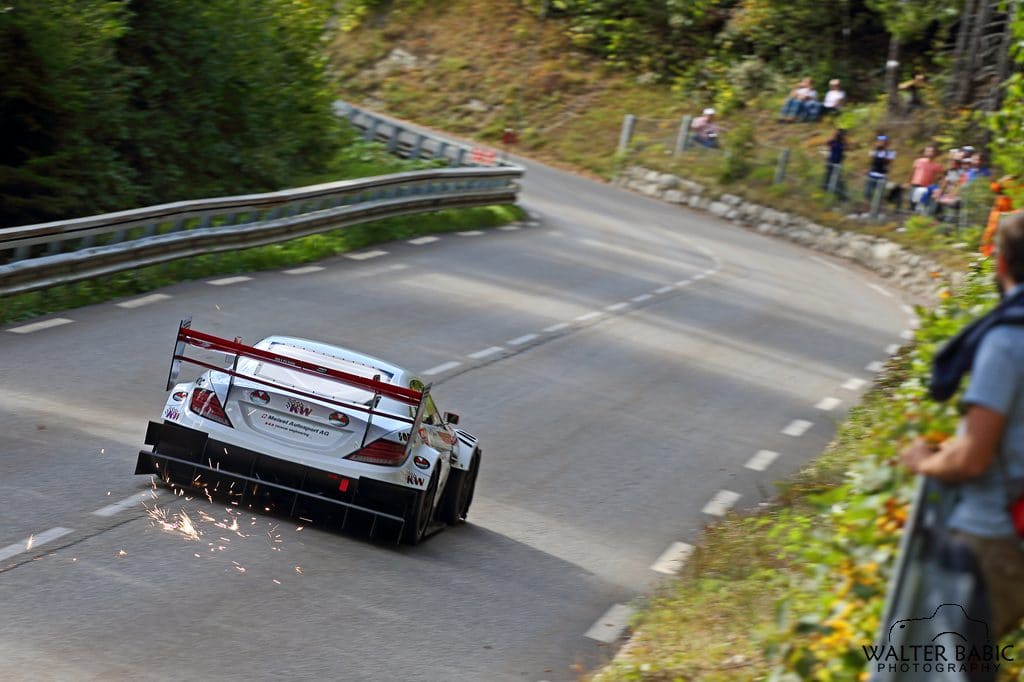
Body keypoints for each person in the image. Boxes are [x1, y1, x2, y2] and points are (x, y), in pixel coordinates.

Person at [901, 211, 1024, 643]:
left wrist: (924, 463)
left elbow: (973, 457)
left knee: (935, 666)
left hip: (992, 538)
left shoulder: (1007, 341)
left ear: (1001, 263)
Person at [906, 145, 944, 213]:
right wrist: (908, 182)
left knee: (921, 202)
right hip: (915, 183)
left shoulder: (937, 165)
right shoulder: (918, 161)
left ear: (935, 153)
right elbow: (912, 172)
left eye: (931, 151)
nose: (929, 153)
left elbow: (940, 177)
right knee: (912, 200)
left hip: (926, 186)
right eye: (927, 151)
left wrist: (936, 186)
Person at [865, 134, 895, 204]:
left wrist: (884, 150)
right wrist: (876, 150)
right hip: (872, 174)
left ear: (886, 143)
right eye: (879, 141)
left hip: (882, 176)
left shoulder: (890, 152)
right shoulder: (874, 150)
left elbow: (888, 162)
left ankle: (878, 209)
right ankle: (866, 208)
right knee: (868, 193)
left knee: (880, 195)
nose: (880, 143)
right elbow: (871, 158)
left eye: (883, 141)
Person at [822, 128, 847, 199]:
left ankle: (839, 194)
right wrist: (834, 135)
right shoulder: (833, 141)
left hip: (837, 164)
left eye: (840, 134)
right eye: (839, 134)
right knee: (827, 177)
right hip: (830, 162)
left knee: (837, 179)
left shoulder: (842, 143)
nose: (839, 135)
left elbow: (848, 146)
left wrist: (844, 138)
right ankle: (825, 190)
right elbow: (827, 142)